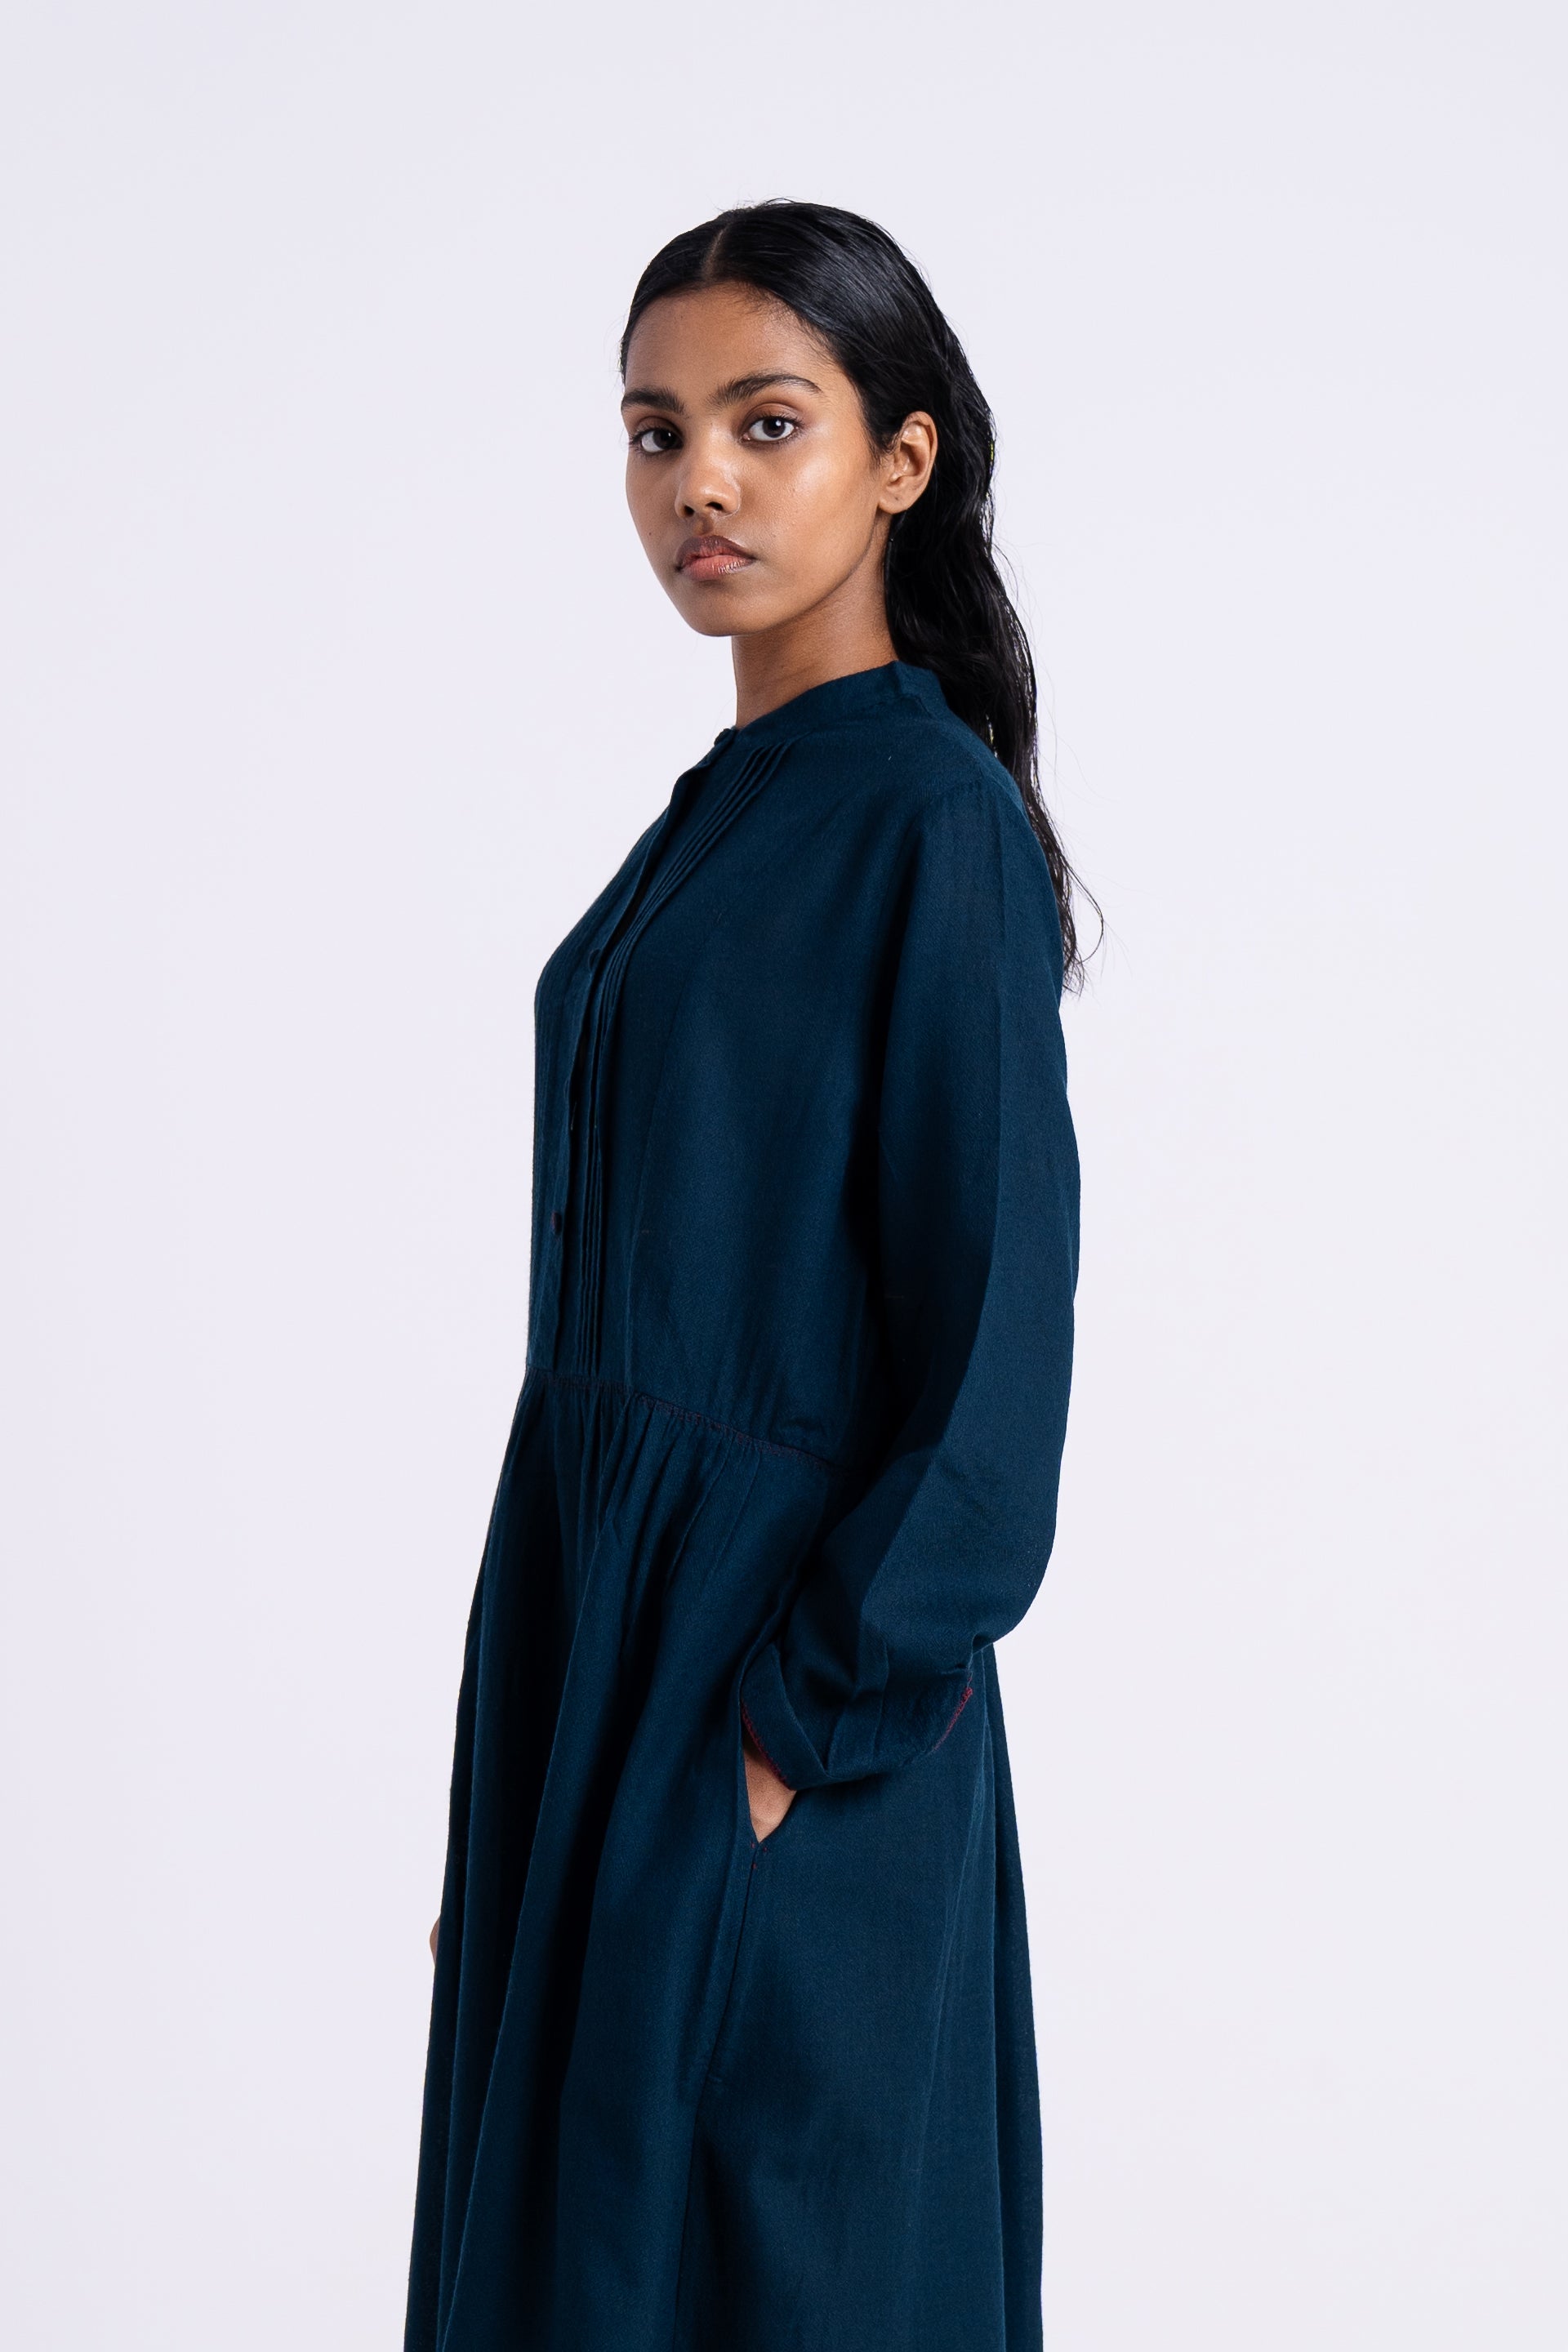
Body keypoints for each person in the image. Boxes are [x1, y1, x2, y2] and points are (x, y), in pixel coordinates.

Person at [404, 200, 1084, 2352]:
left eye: (766, 423)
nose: (699, 479)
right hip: (603, 1657)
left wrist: (793, 1728)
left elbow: (992, 1370)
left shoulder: (928, 826)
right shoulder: (725, 807)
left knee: (772, 2266)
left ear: (902, 459)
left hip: (769, 1693)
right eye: (656, 431)